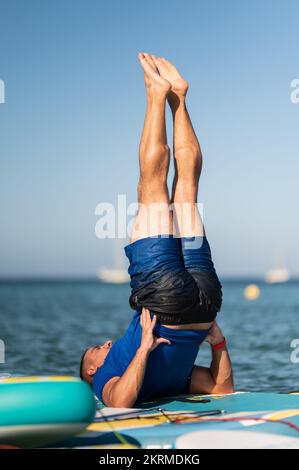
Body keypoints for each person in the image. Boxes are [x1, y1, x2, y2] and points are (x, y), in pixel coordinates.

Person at [80, 53, 234, 407]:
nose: (104, 345)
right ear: (91, 372)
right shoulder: (105, 379)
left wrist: (211, 341)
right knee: (152, 187)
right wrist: (216, 343)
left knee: (188, 192)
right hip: (167, 305)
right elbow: (119, 403)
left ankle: (178, 97)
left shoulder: (168, 379)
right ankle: (156, 92)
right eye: (95, 352)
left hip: (204, 305)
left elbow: (219, 389)